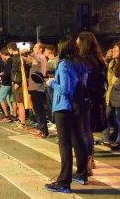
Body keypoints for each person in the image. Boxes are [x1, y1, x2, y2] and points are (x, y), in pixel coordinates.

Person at [45, 35, 89, 193]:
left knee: (65, 145)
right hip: (78, 107)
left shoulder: (64, 64)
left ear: (63, 48)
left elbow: (64, 89)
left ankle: (64, 182)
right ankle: (82, 174)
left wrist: (51, 83)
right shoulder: (81, 63)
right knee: (78, 140)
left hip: (64, 107)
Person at [77, 32, 107, 175]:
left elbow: (85, 82)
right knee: (87, 131)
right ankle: (91, 158)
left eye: (78, 41)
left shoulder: (85, 60)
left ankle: (87, 162)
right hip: (96, 98)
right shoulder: (99, 59)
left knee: (84, 131)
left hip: (86, 99)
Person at [25, 43, 48, 139]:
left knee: (39, 109)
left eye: (35, 47)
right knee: (36, 109)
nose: (34, 48)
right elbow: (31, 61)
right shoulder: (36, 59)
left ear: (40, 49)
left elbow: (36, 58)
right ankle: (39, 127)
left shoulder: (41, 57)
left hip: (38, 87)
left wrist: (30, 52)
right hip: (33, 87)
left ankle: (44, 131)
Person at [105, 42, 120, 151]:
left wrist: (117, 86)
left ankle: (119, 141)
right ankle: (109, 138)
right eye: (113, 50)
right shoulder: (112, 63)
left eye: (116, 50)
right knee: (107, 117)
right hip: (110, 96)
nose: (113, 52)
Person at [7, 42, 27, 131]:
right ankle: (20, 121)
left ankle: (23, 124)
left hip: (17, 83)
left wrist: (17, 82)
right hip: (15, 82)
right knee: (18, 103)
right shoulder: (17, 58)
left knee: (20, 103)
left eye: (8, 49)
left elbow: (19, 71)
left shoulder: (17, 59)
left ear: (11, 49)